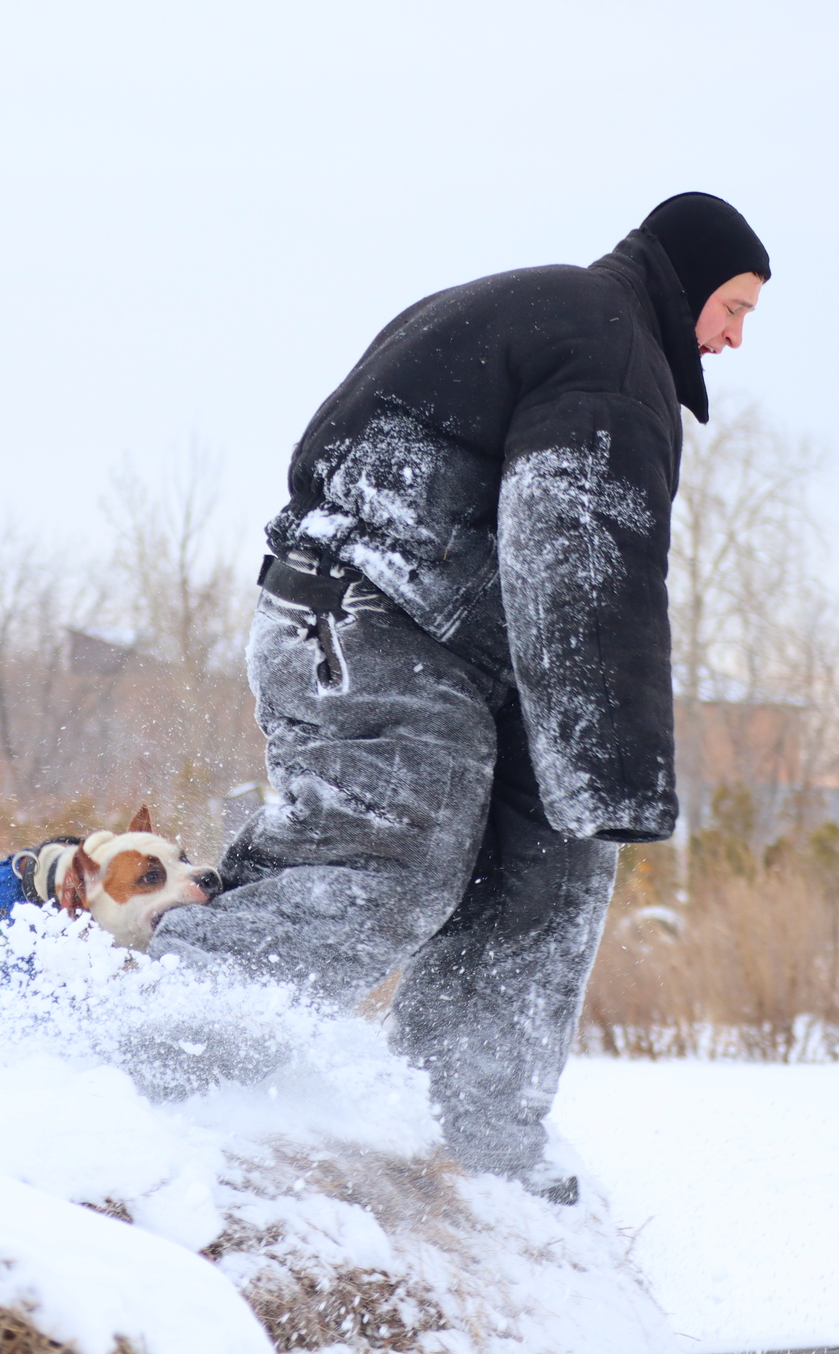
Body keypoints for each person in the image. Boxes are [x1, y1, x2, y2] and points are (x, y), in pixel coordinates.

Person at [149, 193, 769, 1201]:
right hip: (373, 624)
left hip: (429, 633)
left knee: (539, 881)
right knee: (394, 859)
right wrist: (609, 771)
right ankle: (163, 1055)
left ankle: (468, 1153)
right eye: (732, 306)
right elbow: (576, 557)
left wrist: (570, 795)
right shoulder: (609, 350)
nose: (735, 337)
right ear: (688, 283)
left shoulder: (558, 316)